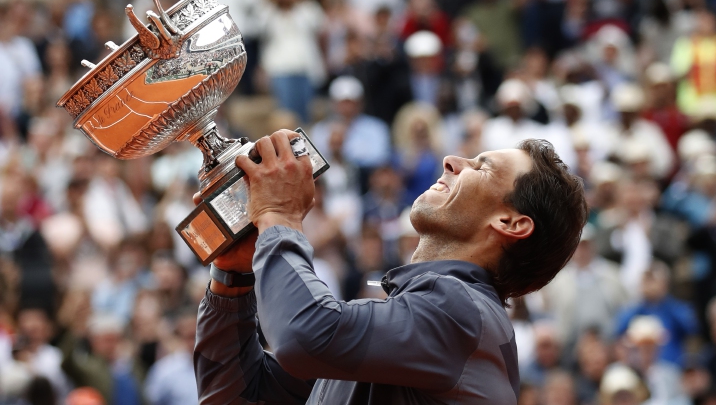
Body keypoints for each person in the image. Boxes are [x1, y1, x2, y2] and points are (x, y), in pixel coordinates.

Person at [193, 130, 588, 404]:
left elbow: (302, 334)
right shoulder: (425, 323)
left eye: (481, 168)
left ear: (511, 223)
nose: (451, 161)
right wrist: (234, 276)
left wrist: (279, 215)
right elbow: (238, 396)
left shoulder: (462, 312)